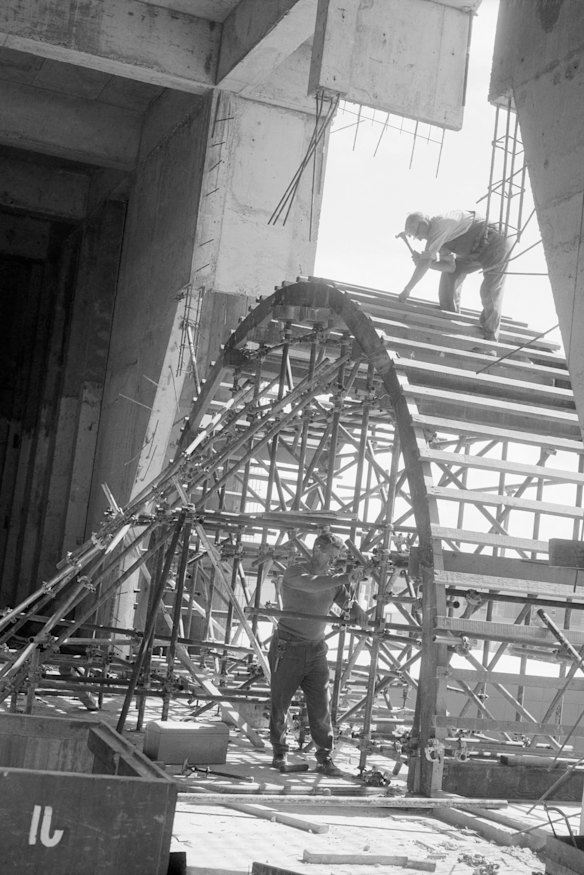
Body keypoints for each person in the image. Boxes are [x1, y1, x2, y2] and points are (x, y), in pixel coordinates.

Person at [268, 532, 368, 776]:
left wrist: (359, 611)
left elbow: (346, 602)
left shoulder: (333, 581)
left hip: (315, 651)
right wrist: (344, 577)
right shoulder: (295, 573)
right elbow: (312, 584)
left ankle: (324, 758)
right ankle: (279, 752)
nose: (334, 561)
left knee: (321, 706)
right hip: (288, 647)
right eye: (332, 555)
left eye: (337, 557)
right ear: (318, 550)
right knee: (280, 703)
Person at [397, 209, 514, 342]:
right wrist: (427, 263)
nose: (418, 239)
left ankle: (490, 341)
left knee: (490, 291)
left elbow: (425, 262)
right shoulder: (437, 238)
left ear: (423, 223)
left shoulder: (440, 226)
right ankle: (450, 320)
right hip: (474, 249)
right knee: (450, 277)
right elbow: (450, 267)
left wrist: (408, 289)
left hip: (495, 241)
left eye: (417, 234)